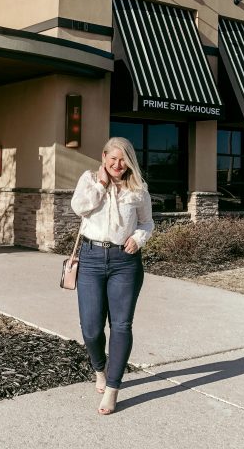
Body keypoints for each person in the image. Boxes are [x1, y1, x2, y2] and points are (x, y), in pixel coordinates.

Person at [71, 137, 154, 415]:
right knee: (91, 328)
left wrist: (139, 238)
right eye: (113, 159)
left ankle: (113, 388)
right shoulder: (89, 179)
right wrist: (102, 184)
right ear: (104, 156)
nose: (118, 165)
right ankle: (99, 369)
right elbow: (80, 207)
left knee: (121, 325)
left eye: (123, 160)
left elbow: (146, 222)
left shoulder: (138, 188)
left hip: (125, 262)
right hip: (92, 259)